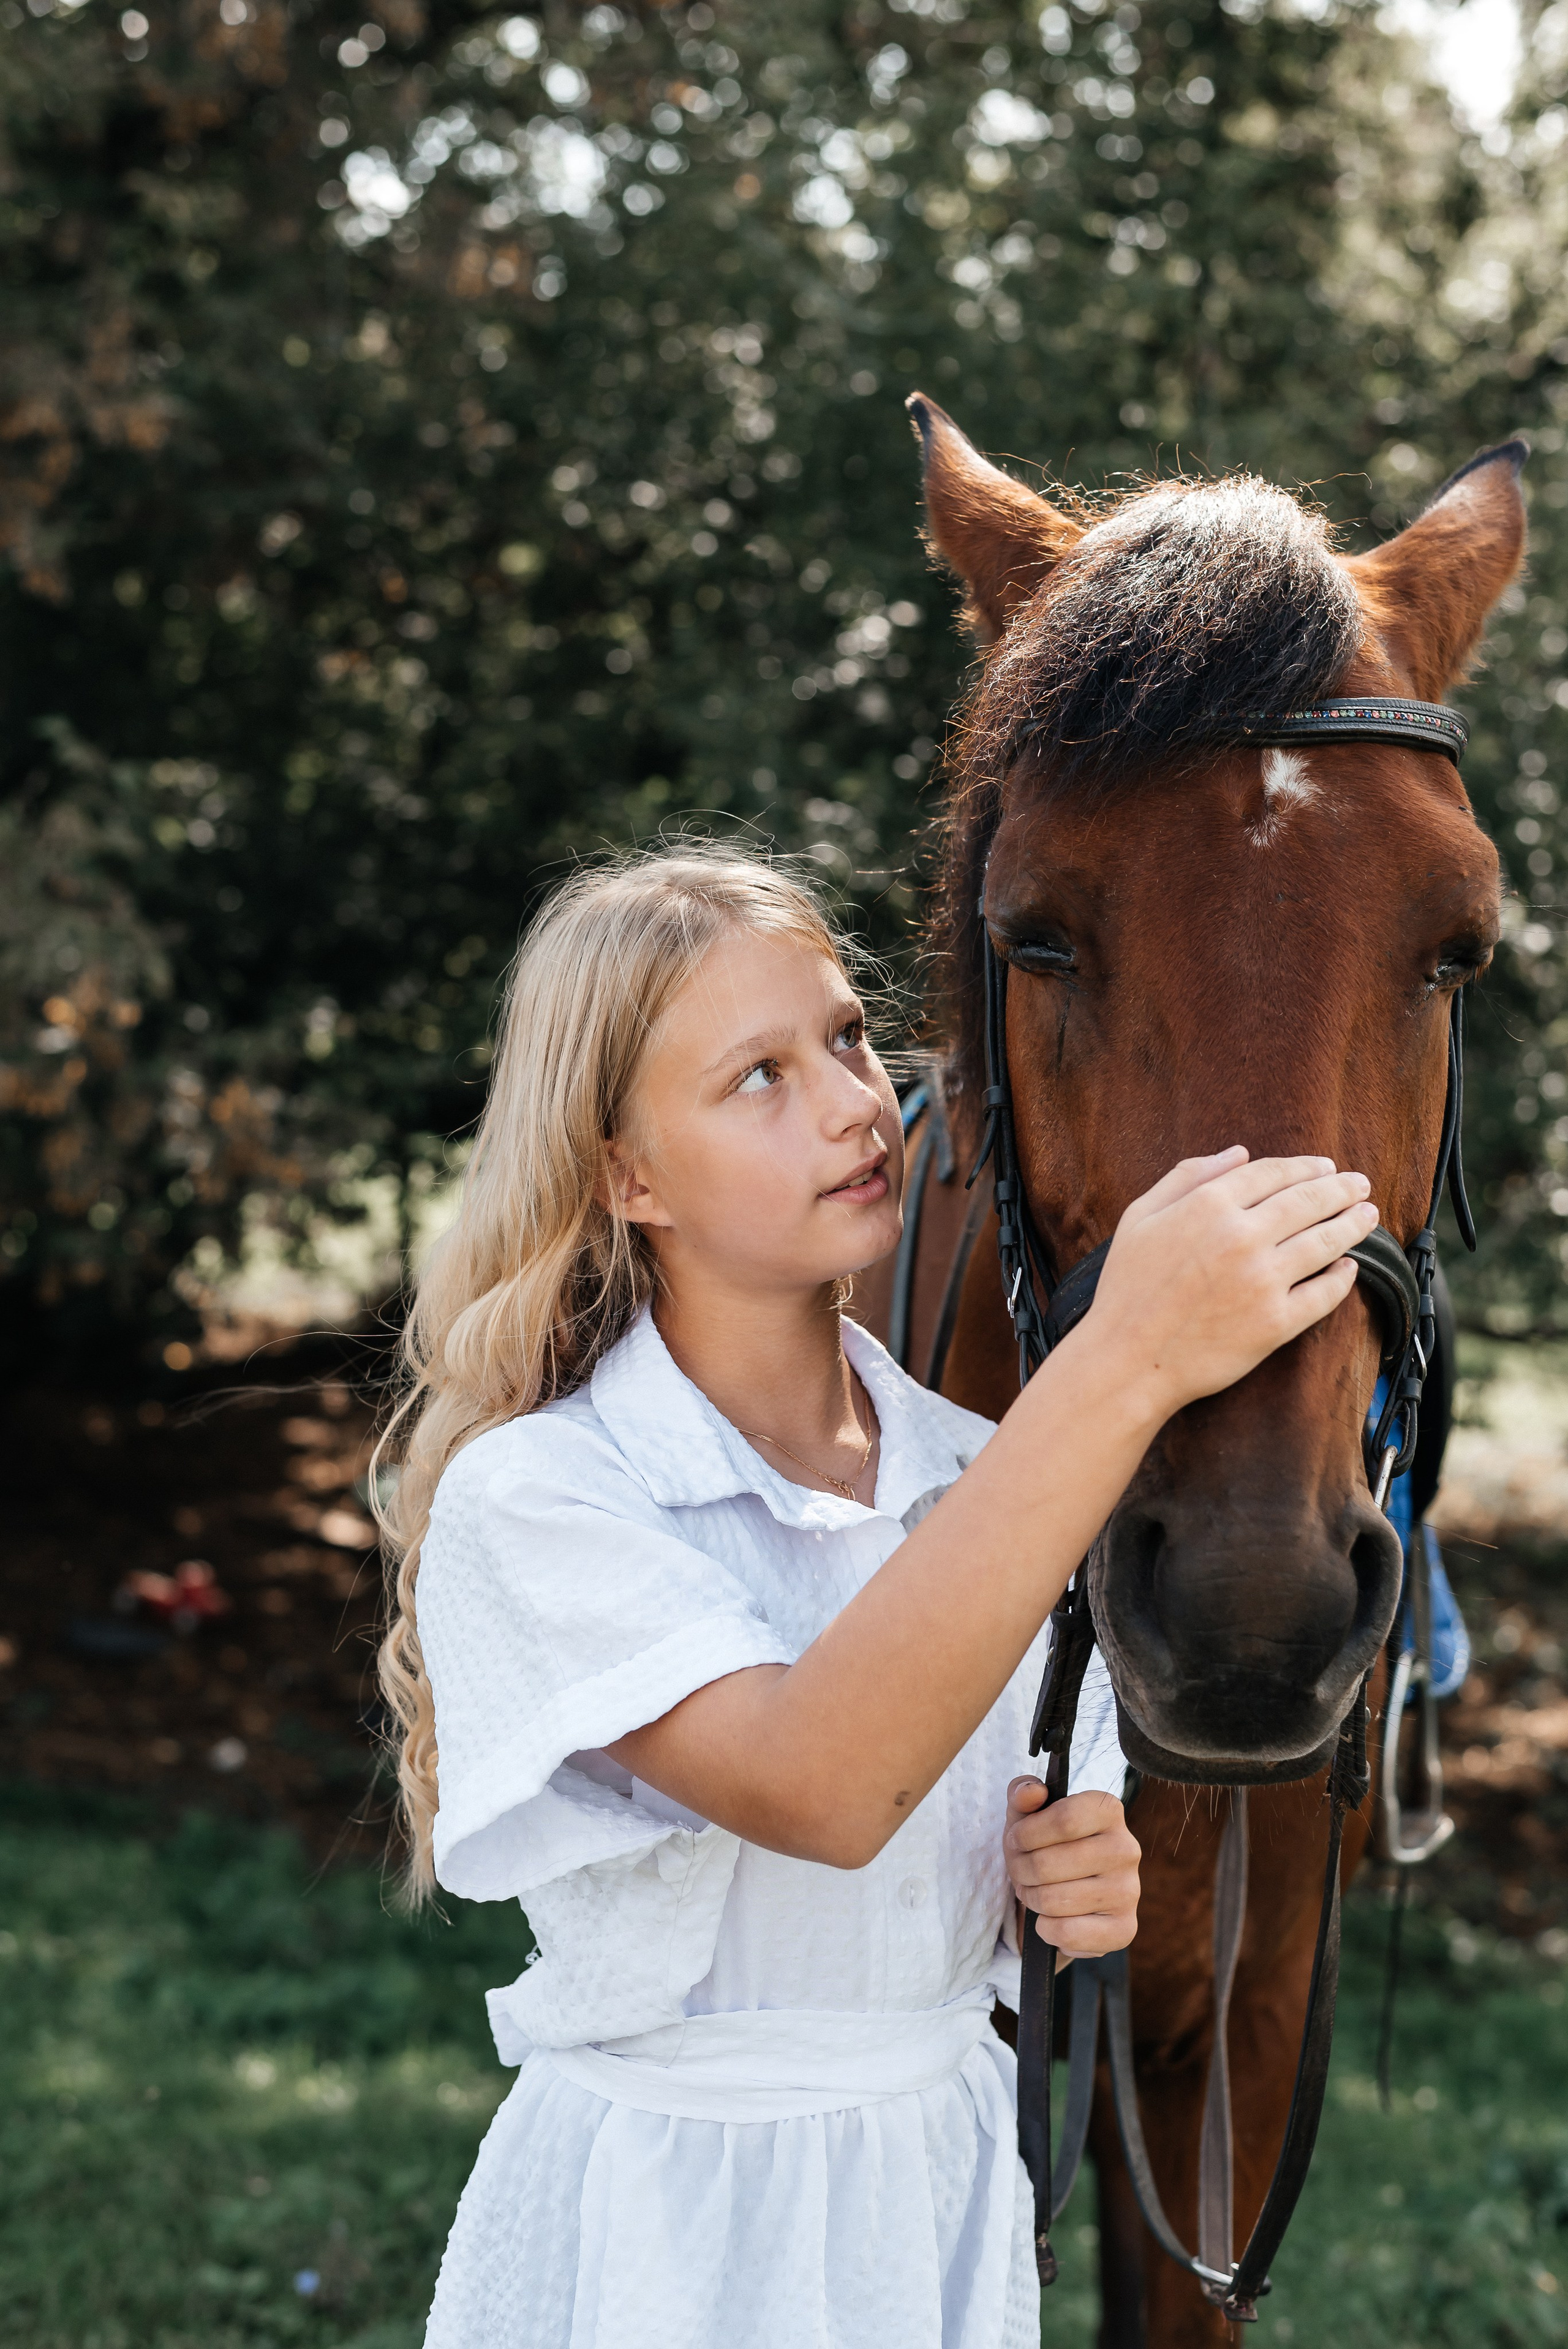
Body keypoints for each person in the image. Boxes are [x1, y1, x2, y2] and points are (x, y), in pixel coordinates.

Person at [374, 845, 1379, 2349]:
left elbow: (981, 1855)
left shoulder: (980, 1474)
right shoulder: (544, 1495)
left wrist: (1072, 1879)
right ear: (626, 1175)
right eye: (758, 1077)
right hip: (674, 2229)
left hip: (932, 2209)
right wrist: (1122, 1356)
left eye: (846, 1036)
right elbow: (820, 1782)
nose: (856, 1100)